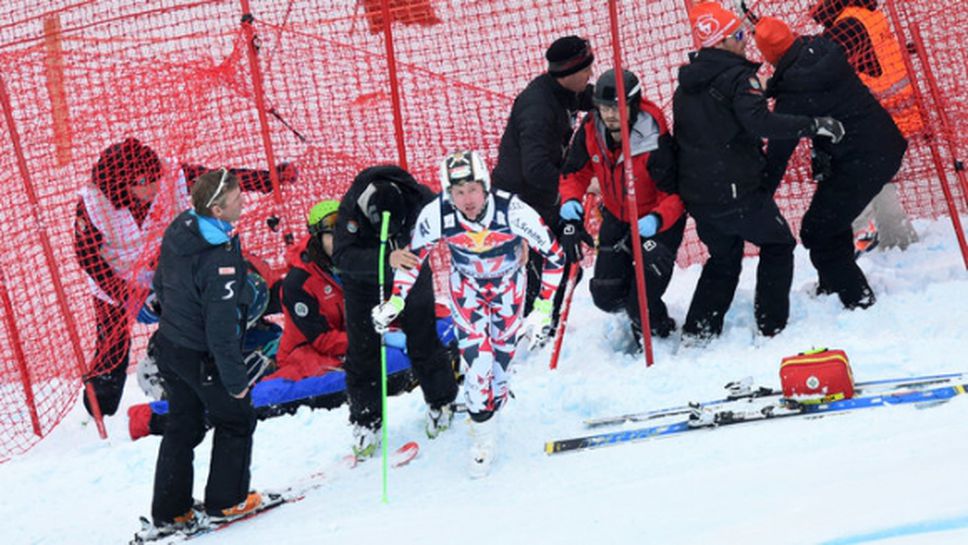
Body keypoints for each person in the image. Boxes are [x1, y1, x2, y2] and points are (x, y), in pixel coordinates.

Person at [372, 151, 564, 477]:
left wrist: (542, 309)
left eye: (473, 189)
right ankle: (481, 439)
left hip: (508, 291)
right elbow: (412, 260)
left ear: (485, 186)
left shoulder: (513, 211)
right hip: (467, 292)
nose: (467, 199)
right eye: (458, 192)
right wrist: (396, 302)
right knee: (478, 362)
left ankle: (493, 414)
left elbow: (555, 255)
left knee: (501, 367)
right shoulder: (438, 214)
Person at [73, 137, 297, 417]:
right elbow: (87, 258)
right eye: (146, 181)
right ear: (126, 184)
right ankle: (98, 412)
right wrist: (125, 293)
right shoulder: (94, 204)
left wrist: (267, 179)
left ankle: (223, 354)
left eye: (156, 177)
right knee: (112, 350)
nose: (156, 186)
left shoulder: (173, 176)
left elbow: (220, 182)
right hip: (115, 280)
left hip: (164, 271)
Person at [673, 2, 845, 343]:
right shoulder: (739, 78)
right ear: (720, 42)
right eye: (737, 35)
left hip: (699, 194)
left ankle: (699, 331)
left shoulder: (686, 85)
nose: (743, 40)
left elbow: (711, 121)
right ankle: (772, 324)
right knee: (779, 243)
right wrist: (814, 126)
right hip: (736, 190)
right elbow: (760, 122)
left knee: (724, 256)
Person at [142, 169, 264, 539]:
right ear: (217, 208)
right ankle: (227, 501)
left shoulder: (183, 227)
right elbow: (221, 329)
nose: (243, 201)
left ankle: (171, 510)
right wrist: (236, 381)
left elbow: (161, 284)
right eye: (236, 199)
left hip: (171, 347)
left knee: (184, 424)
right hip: (201, 353)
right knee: (237, 419)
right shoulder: (218, 258)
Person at [756, 16, 906, 309]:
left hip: (859, 161)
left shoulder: (792, 97)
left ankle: (857, 297)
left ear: (768, 57)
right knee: (829, 218)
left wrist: (759, 195)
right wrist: (774, 86)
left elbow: (778, 155)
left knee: (817, 230)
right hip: (884, 144)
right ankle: (832, 286)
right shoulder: (824, 48)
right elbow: (797, 73)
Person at [332, 165, 458, 460]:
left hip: (412, 271)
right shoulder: (351, 210)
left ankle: (441, 401)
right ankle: (367, 420)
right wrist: (385, 257)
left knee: (423, 337)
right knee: (363, 350)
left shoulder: (421, 198)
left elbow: (453, 219)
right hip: (364, 280)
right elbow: (342, 256)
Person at [558, 69, 686, 344]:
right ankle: (637, 310)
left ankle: (657, 329)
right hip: (617, 214)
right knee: (605, 294)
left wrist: (656, 220)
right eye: (604, 108)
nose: (611, 115)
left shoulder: (653, 135)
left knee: (641, 300)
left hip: (656, 222)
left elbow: (674, 194)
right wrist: (570, 202)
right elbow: (573, 173)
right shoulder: (592, 129)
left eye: (618, 108)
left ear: (634, 104)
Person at [491, 35, 594, 331]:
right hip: (521, 199)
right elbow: (535, 170)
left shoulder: (565, 90)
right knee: (554, 266)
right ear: (568, 73)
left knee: (564, 265)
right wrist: (582, 186)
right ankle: (535, 329)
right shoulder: (538, 109)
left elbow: (591, 96)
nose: (590, 75)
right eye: (586, 70)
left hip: (543, 195)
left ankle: (544, 323)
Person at [809, 0, 920, 253]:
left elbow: (815, 62)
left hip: (875, 118)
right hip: (890, 116)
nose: (816, 7)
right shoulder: (864, 15)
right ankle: (898, 238)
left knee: (854, 175)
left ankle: (867, 238)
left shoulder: (848, 24)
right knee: (876, 175)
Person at [274, 199, 347, 381]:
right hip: (305, 352)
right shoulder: (299, 283)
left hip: (347, 340)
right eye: (332, 236)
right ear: (317, 238)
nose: (341, 242)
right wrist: (368, 340)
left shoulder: (352, 263)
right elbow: (321, 339)